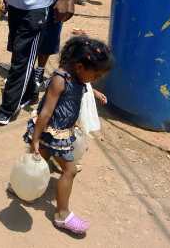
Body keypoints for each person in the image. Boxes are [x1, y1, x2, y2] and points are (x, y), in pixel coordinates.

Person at [23, 36, 113, 235]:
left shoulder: (79, 77)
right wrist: (35, 138)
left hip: (60, 130)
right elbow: (46, 112)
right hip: (53, 131)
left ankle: (22, 187)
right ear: (80, 66)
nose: (96, 78)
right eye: (95, 74)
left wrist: (94, 92)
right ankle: (62, 215)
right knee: (69, 170)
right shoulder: (60, 79)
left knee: (41, 159)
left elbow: (83, 87)